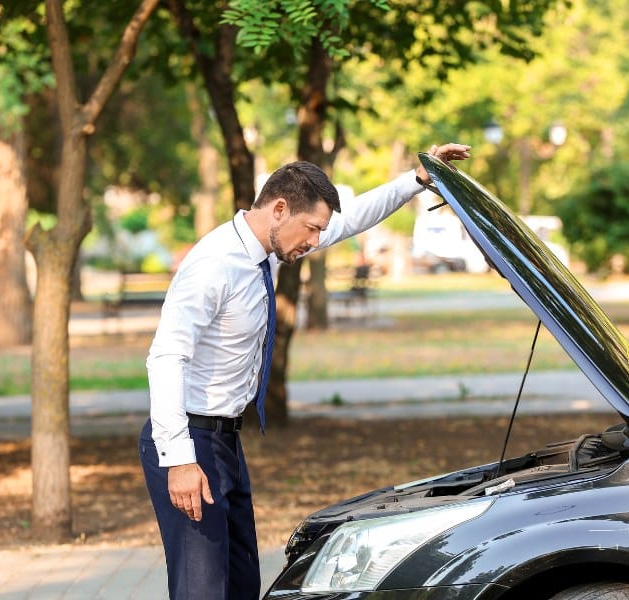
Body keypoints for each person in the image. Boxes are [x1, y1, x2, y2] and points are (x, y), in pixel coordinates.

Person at [139, 142, 471, 599]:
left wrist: (415, 180)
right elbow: (165, 357)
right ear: (279, 209)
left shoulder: (265, 252)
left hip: (224, 442)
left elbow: (351, 219)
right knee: (202, 590)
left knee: (240, 585)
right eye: (311, 228)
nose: (316, 241)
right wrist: (178, 460)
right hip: (189, 443)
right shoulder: (215, 264)